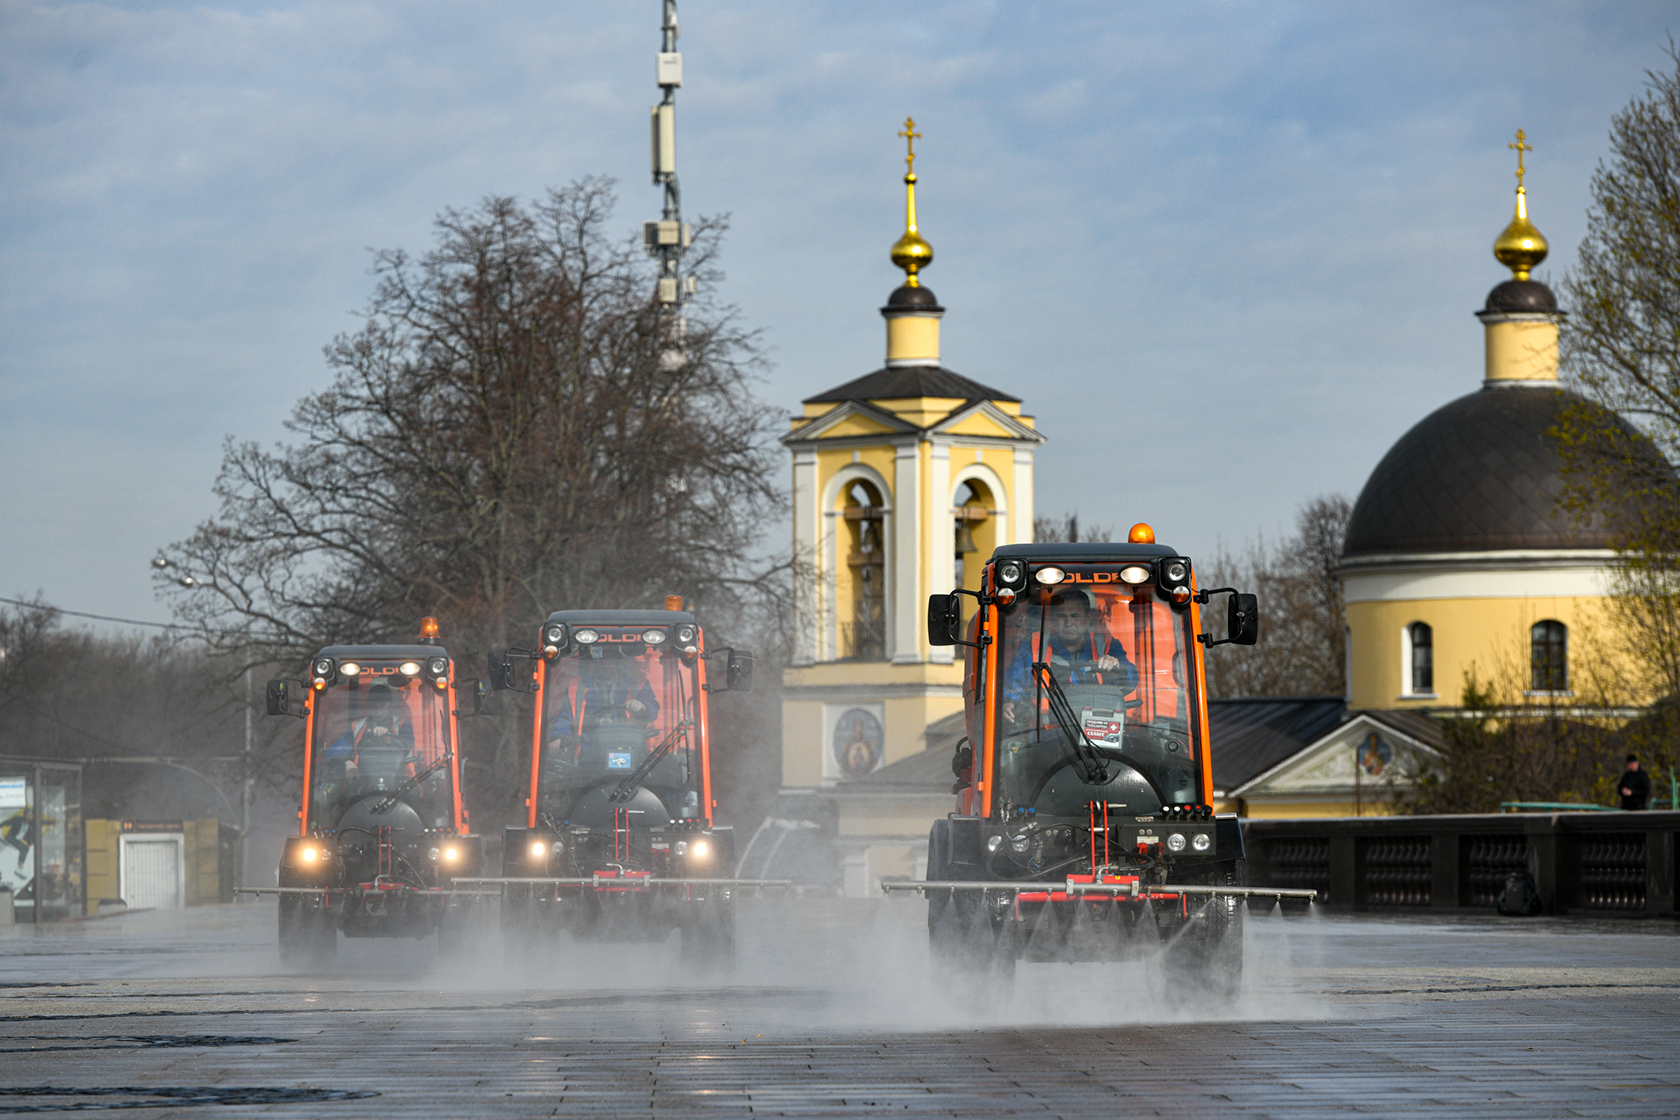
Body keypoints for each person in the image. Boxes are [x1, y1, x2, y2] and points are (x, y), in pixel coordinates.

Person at [1002, 589, 1139, 726]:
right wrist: (1009, 703)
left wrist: (1117, 668)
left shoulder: (1107, 644)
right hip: (1048, 732)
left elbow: (1131, 679)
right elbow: (1012, 686)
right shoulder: (1033, 645)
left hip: (1101, 727)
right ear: (1054, 619)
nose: (1068, 623)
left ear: (1088, 618)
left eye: (1075, 616)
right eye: (1062, 616)